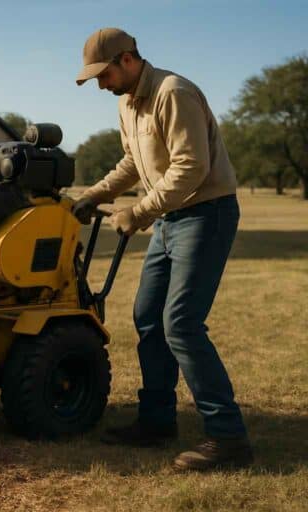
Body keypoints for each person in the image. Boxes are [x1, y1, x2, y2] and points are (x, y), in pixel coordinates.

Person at [72, 27, 252, 471]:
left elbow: (192, 167)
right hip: (171, 218)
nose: (101, 83)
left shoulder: (174, 92)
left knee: (182, 324)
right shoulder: (127, 103)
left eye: (104, 73)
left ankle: (228, 438)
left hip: (205, 215)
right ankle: (156, 422)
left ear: (128, 58)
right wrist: (93, 195)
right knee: (147, 316)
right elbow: (134, 163)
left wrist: (139, 212)